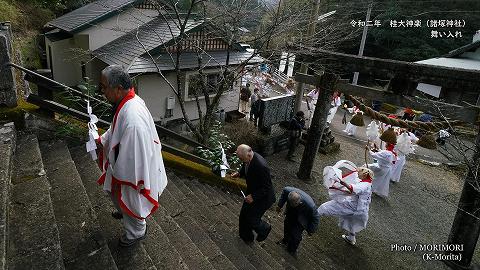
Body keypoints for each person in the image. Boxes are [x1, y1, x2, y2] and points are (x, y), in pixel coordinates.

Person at [96, 65, 168, 247]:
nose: (102, 91)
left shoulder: (133, 117)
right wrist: (102, 139)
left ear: (118, 89)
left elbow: (134, 159)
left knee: (132, 200)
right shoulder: (127, 102)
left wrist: (120, 172)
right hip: (123, 162)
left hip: (132, 172)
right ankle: (124, 211)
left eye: (104, 87)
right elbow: (116, 130)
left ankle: (136, 232)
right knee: (119, 194)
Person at [317, 166, 374, 245]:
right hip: (360, 209)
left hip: (352, 206)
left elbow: (353, 188)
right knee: (350, 222)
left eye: (359, 173)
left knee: (325, 207)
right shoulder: (368, 183)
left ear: (364, 175)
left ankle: (311, 218)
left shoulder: (364, 185)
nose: (357, 174)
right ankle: (351, 238)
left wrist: (342, 182)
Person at [231, 144, 276, 243]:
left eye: (241, 158)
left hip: (263, 198)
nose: (241, 161)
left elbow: (266, 187)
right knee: (244, 215)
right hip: (253, 192)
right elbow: (245, 165)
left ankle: (265, 228)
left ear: (248, 155)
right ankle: (246, 237)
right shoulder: (248, 157)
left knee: (252, 219)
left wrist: (253, 197)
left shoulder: (261, 166)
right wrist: (239, 173)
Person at [276, 187, 320, 257]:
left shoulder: (310, 205)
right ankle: (285, 240)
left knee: (296, 235)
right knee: (287, 226)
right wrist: (279, 205)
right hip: (291, 212)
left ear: (300, 202)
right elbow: (283, 195)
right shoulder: (287, 191)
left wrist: (311, 230)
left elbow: (316, 217)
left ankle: (291, 250)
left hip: (302, 217)